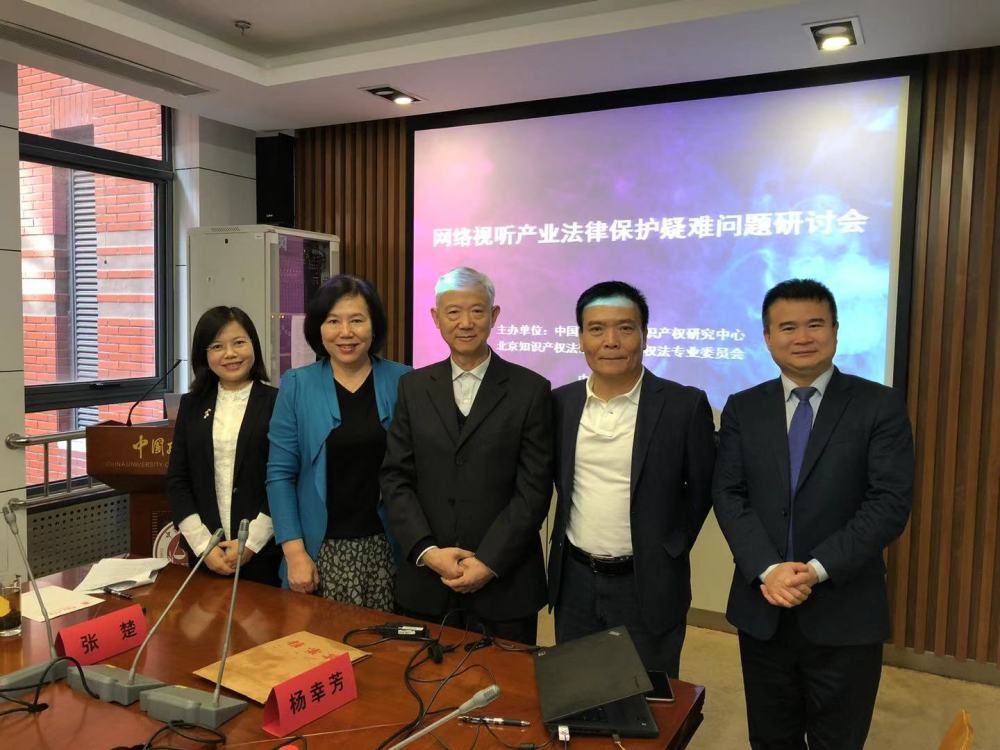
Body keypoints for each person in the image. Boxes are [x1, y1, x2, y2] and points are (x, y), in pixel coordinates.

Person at [713, 278, 914, 750]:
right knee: (770, 738)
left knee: (838, 740)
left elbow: (888, 502)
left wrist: (816, 569)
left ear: (836, 331)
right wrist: (768, 569)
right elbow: (729, 494)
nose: (802, 337)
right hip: (763, 607)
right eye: (787, 327)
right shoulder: (743, 407)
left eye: (815, 324)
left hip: (845, 610)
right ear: (768, 338)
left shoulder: (879, 405)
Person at [548, 281, 715, 675]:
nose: (611, 341)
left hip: (648, 580)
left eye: (625, 328)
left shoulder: (683, 405)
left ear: (644, 335)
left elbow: (703, 489)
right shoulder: (560, 403)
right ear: (581, 338)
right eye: (597, 329)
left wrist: (672, 546)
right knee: (578, 690)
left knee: (649, 695)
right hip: (575, 580)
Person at [380, 267, 552, 644]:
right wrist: (427, 551)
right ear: (436, 318)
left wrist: (489, 561)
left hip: (505, 584)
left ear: (494, 315)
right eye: (453, 312)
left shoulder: (530, 390)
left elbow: (533, 490)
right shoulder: (413, 387)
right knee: (422, 676)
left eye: (477, 311)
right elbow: (396, 478)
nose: (465, 323)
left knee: (507, 681)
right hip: (428, 581)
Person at [266, 275, 410, 609]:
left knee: (386, 641)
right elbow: (279, 475)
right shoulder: (297, 385)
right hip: (317, 553)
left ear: (374, 326)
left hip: (388, 549)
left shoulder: (404, 381)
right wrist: (294, 552)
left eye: (357, 320)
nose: (346, 332)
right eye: (333, 321)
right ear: (318, 328)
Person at [167, 305, 281, 586]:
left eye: (239, 343)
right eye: (217, 346)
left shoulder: (277, 402)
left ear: (253, 345)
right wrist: (203, 545)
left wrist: (251, 542)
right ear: (204, 355)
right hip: (206, 555)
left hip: (265, 554)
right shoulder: (191, 405)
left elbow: (284, 478)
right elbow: (178, 480)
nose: (230, 354)